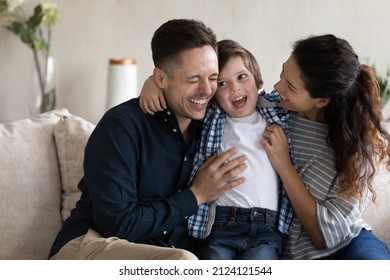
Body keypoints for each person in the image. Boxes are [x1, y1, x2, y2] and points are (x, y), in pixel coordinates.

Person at [48, 18, 248, 260]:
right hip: (89, 246)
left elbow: (259, 98)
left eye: (213, 78)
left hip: (161, 254)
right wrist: (197, 195)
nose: (207, 90)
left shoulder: (214, 125)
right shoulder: (121, 127)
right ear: (161, 79)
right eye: (193, 79)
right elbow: (119, 225)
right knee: (182, 263)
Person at [139, 39, 294, 260]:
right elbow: (180, 91)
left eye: (242, 77)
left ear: (258, 80)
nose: (235, 88)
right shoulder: (213, 116)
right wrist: (151, 83)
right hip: (221, 226)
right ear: (213, 92)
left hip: (266, 228)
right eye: (222, 83)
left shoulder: (275, 112)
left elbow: (301, 99)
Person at [261, 34, 390, 259]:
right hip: (289, 252)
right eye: (283, 72)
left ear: (321, 100)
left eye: (290, 87)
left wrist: (284, 165)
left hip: (348, 245)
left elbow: (324, 236)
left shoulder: (356, 145)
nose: (277, 85)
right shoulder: (272, 112)